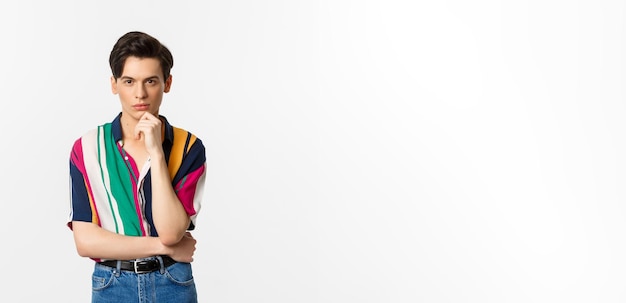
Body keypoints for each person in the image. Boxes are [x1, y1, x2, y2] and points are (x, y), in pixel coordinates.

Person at [67, 31, 206, 303]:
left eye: (150, 81)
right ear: (114, 84)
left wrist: (156, 151)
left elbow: (170, 231)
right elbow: (86, 242)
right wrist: (165, 247)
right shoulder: (86, 149)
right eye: (129, 81)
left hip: (173, 282)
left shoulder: (189, 147)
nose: (140, 94)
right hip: (112, 284)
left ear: (167, 83)